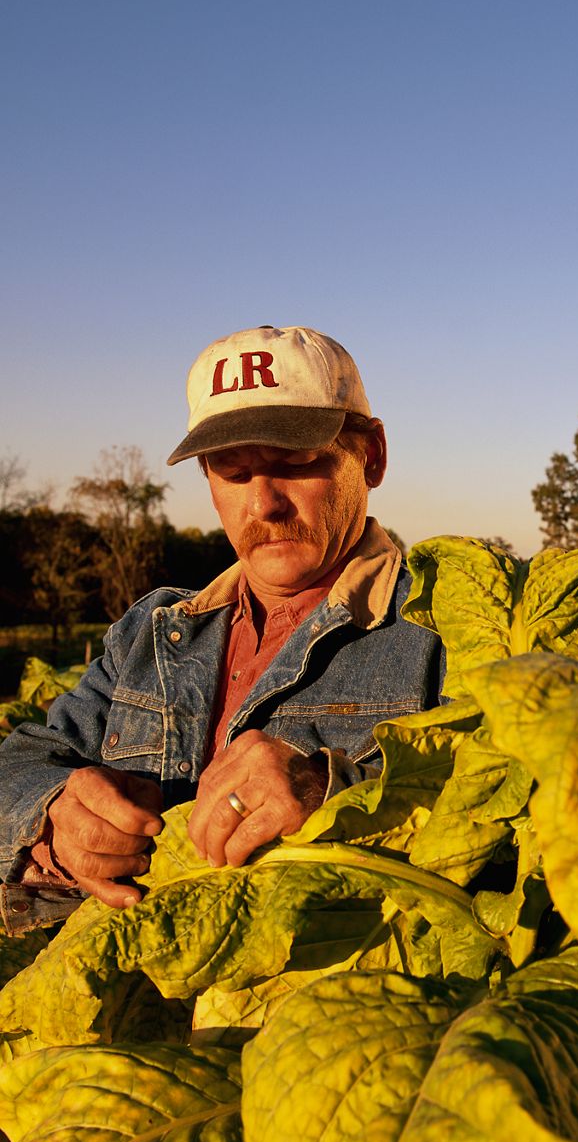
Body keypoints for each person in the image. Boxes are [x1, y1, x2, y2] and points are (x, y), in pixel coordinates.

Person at [0, 325, 443, 933]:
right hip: (129, 1015)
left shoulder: (445, 627)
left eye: (297, 463)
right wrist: (52, 814)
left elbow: (515, 813)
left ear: (372, 457)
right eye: (232, 473)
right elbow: (21, 760)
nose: (263, 504)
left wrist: (333, 792)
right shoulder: (151, 632)